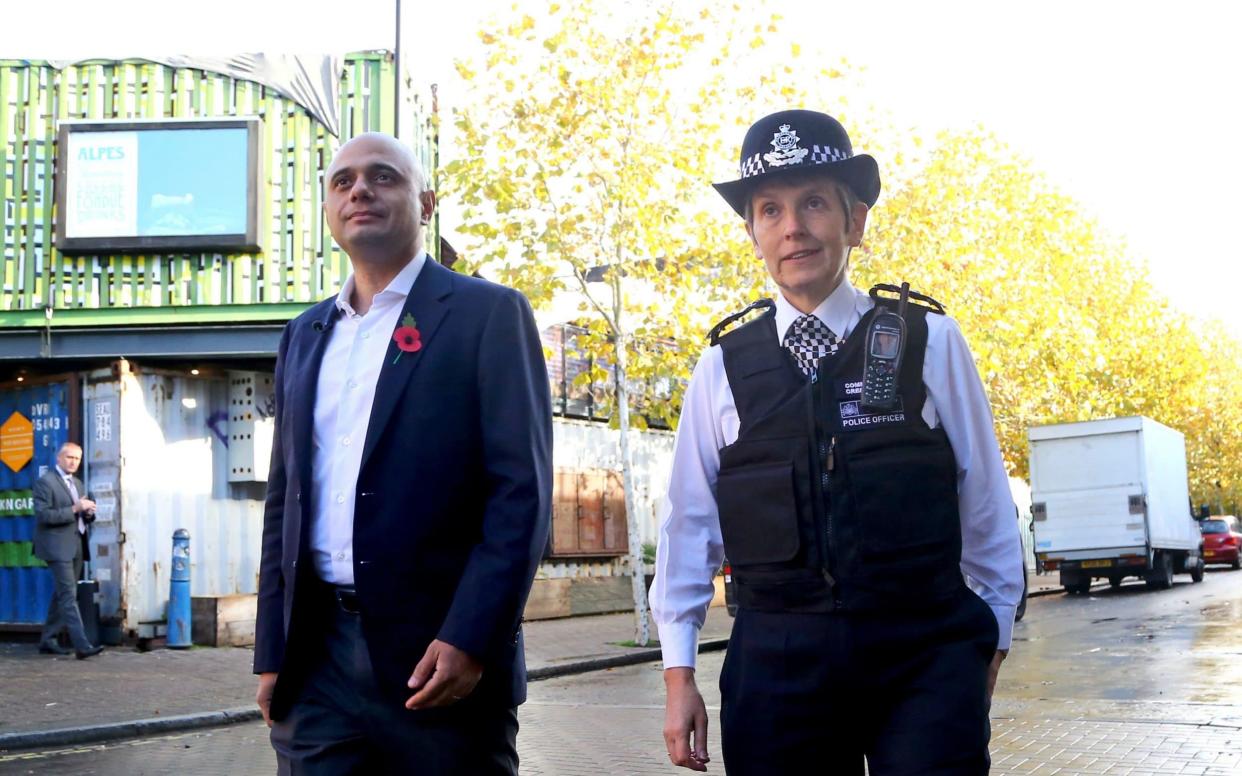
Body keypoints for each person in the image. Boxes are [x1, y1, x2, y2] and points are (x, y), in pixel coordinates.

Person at [651, 110, 1025, 774]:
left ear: (855, 222)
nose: (793, 226)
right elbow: (689, 529)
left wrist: (989, 642)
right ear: (753, 233)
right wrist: (679, 674)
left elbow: (987, 503)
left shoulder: (929, 342)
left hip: (924, 653)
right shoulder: (720, 370)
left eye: (814, 203)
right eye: (770, 210)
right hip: (778, 663)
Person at [253, 132, 552, 775]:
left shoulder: (487, 314)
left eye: (383, 176)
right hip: (318, 669)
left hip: (440, 665)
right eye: (343, 182)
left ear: (426, 202)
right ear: (330, 210)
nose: (359, 189)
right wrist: (272, 651)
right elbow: (285, 502)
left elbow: (520, 493)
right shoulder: (303, 336)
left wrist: (472, 637)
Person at [32, 442, 102, 659]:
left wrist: (88, 513)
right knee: (69, 596)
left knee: (62, 594)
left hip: (76, 545)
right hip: (56, 547)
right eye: (69, 457)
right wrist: (75, 508)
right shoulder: (45, 483)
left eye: (77, 459)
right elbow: (44, 516)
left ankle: (48, 639)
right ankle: (82, 645)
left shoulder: (78, 484)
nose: (73, 462)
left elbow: (81, 515)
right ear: (59, 459)